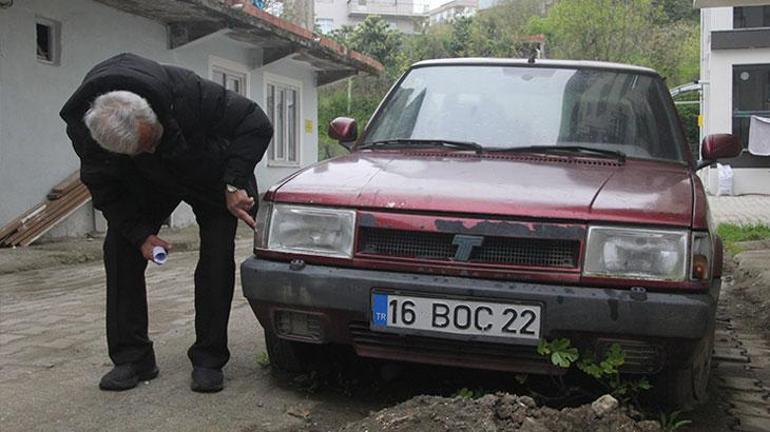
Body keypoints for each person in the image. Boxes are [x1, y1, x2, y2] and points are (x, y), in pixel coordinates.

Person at [60, 53, 273, 393]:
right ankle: (132, 358)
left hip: (212, 173)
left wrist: (234, 183)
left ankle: (208, 358)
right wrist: (140, 234)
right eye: (140, 150)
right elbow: (105, 188)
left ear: (154, 114)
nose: (151, 148)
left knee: (217, 256)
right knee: (120, 247)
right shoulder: (90, 134)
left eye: (152, 140)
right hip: (149, 182)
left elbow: (255, 123)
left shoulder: (188, 92)